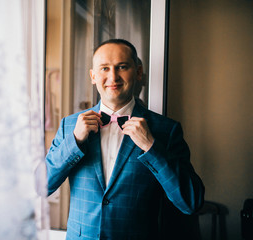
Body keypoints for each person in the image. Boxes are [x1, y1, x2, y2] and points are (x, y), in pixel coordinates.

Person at [45, 39, 204, 240]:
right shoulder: (69, 126)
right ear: (93, 76)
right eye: (104, 68)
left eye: (122, 67)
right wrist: (75, 141)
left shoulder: (167, 130)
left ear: (138, 72)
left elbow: (191, 202)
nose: (113, 76)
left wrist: (151, 147)